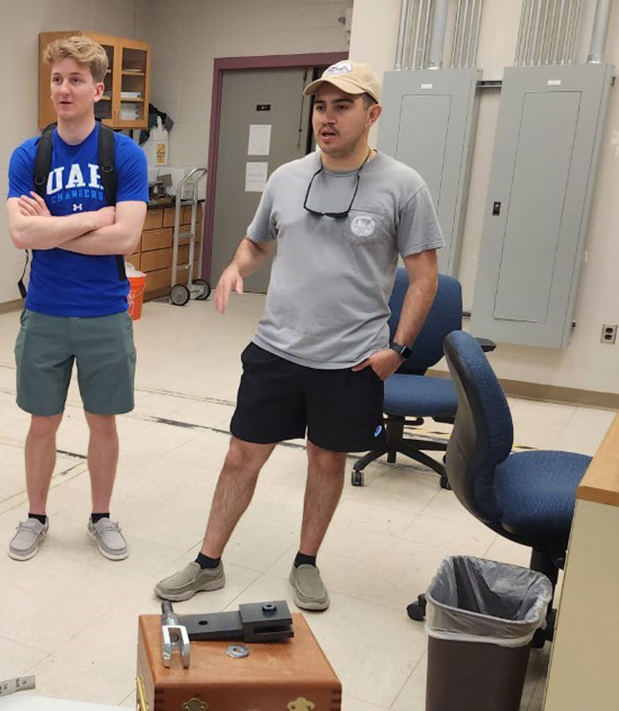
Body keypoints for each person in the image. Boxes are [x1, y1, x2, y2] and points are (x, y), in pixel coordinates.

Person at [153, 61, 444, 611]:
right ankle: (208, 561)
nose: (326, 118)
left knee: (326, 459)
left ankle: (306, 562)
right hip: (276, 349)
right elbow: (257, 242)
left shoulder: (404, 187)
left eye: (342, 106)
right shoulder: (287, 178)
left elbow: (424, 276)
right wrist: (236, 266)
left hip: (351, 361)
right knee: (242, 454)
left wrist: (397, 352)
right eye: (320, 106)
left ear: (372, 114)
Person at [4, 35, 149, 562]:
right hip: (44, 310)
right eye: (57, 79)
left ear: (98, 89)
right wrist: (91, 219)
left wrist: (52, 227)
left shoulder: (123, 155)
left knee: (101, 421)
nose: (64, 89)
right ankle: (36, 516)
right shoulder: (29, 155)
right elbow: (21, 235)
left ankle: (101, 517)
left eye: (76, 80)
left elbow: (126, 238)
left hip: (104, 311)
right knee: (42, 421)